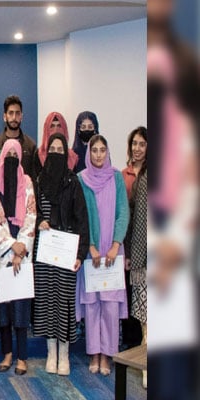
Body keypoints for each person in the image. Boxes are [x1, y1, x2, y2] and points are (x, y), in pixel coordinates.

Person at [32, 133, 89, 376]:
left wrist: (80, 253)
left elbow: (82, 220)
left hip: (65, 252)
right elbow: (29, 213)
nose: (55, 152)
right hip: (44, 252)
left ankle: (64, 353)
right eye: (51, 149)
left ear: (65, 153)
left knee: (64, 302)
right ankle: (51, 352)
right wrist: (39, 222)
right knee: (46, 301)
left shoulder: (72, 182)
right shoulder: (38, 181)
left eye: (59, 149)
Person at [77, 134, 130, 376]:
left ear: (107, 152)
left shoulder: (116, 177)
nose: (98, 154)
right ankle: (94, 353)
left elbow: (123, 212)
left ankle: (107, 355)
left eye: (102, 150)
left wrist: (116, 245)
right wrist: (91, 247)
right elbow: (82, 216)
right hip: (92, 252)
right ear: (89, 154)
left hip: (113, 251)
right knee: (93, 305)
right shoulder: (82, 179)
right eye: (94, 150)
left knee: (109, 305)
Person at [0, 138, 36, 376]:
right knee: (4, 309)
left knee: (20, 307)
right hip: (3, 254)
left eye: (14, 155)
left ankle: (22, 356)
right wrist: (10, 248)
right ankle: (7, 353)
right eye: (6, 155)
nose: (10, 159)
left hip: (23, 254)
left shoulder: (27, 182)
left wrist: (21, 249)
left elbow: (31, 216)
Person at [121, 126, 147, 349]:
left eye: (142, 144)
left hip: (150, 248)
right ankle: (132, 347)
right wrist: (127, 251)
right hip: (129, 246)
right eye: (134, 144)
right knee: (132, 298)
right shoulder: (124, 175)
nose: (137, 148)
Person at [128, 166, 147, 388]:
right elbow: (140, 222)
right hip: (149, 262)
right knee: (148, 321)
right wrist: (139, 260)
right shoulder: (145, 180)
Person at [0, 95, 37, 180]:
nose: (14, 117)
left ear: (21, 117)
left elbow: (33, 178)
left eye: (17, 113)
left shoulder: (30, 146)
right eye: (11, 113)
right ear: (5, 117)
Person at [32, 112, 78, 178]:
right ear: (46, 129)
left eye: (59, 126)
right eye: (52, 126)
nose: (56, 130)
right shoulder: (39, 155)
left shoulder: (72, 157)